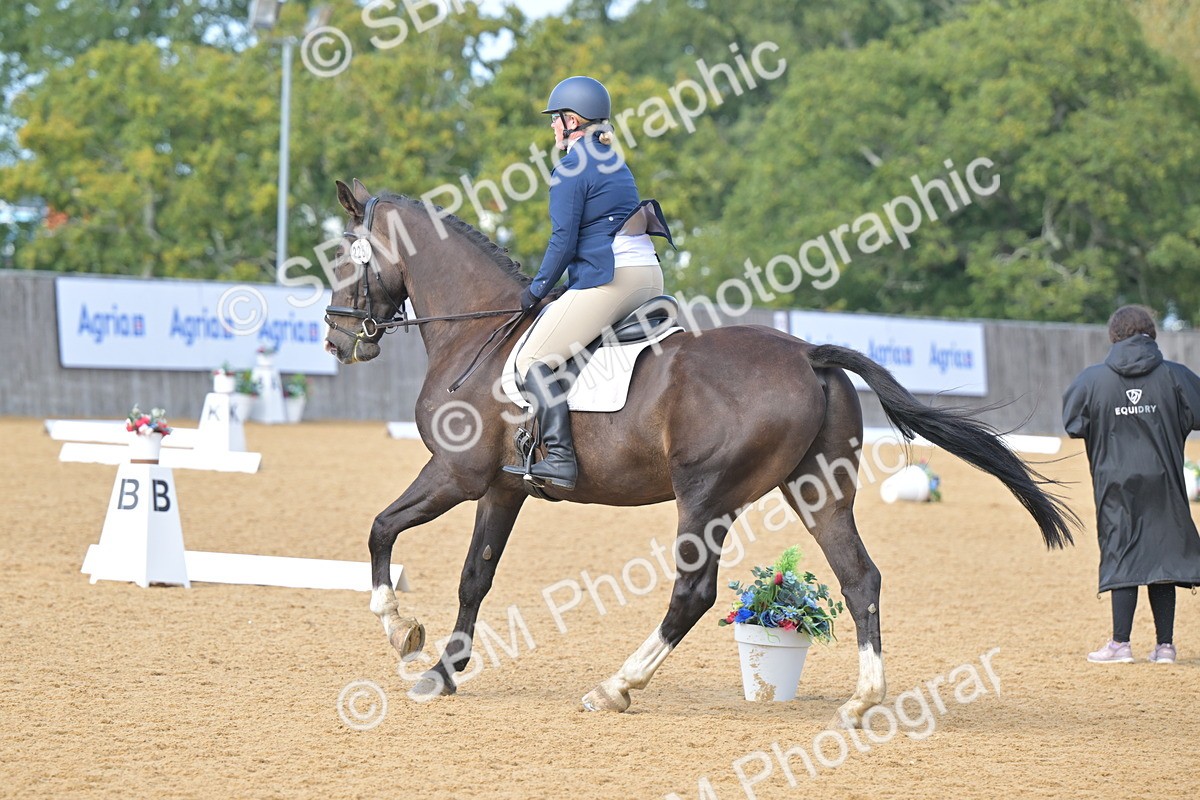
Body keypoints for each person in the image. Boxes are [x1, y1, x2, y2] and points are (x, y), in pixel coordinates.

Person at [502, 76, 671, 491]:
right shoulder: (613, 160)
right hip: (648, 275)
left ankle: (559, 458)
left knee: (532, 362)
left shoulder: (570, 167)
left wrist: (536, 290)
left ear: (573, 120)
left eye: (556, 120)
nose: (552, 128)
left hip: (616, 279)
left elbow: (563, 241)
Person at [1062, 304, 1200, 664]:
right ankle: (1165, 646)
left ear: (1114, 336)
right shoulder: (1176, 376)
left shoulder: (1092, 380)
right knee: (1162, 554)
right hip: (1165, 479)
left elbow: (1072, 422)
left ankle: (1120, 644)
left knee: (1121, 549)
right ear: (1150, 334)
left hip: (1115, 482)